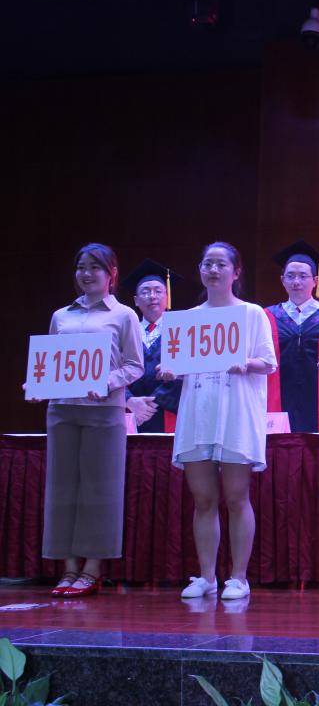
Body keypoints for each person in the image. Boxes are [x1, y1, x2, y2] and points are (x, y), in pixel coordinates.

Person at [159, 242, 277, 601]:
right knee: (203, 499)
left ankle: (239, 578)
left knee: (237, 497)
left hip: (236, 413)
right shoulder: (187, 318)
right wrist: (169, 370)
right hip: (199, 412)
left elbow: (268, 363)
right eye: (207, 264)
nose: (213, 270)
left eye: (221, 264)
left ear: (236, 272)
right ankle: (207, 576)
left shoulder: (252, 314)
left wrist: (246, 363)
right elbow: (178, 363)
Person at [34, 244, 144, 598]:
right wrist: (37, 385)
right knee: (62, 488)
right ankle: (67, 568)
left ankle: (92, 569)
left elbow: (134, 365)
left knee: (101, 490)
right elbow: (50, 362)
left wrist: (107, 382)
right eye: (81, 267)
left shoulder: (124, 315)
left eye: (95, 267)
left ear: (112, 273)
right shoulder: (61, 316)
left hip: (104, 411)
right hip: (62, 409)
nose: (86, 273)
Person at [264, 240, 319, 433]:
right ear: (282, 280)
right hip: (273, 412)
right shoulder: (266, 317)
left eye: (303, 276)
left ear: (315, 280)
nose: (296, 282)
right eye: (290, 276)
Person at [122, 259, 183, 433]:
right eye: (145, 291)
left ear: (167, 296)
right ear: (136, 300)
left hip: (169, 411)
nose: (152, 296)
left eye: (158, 291)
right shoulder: (126, 332)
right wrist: (129, 400)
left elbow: (188, 371)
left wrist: (151, 403)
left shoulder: (181, 330)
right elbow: (113, 370)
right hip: (130, 413)